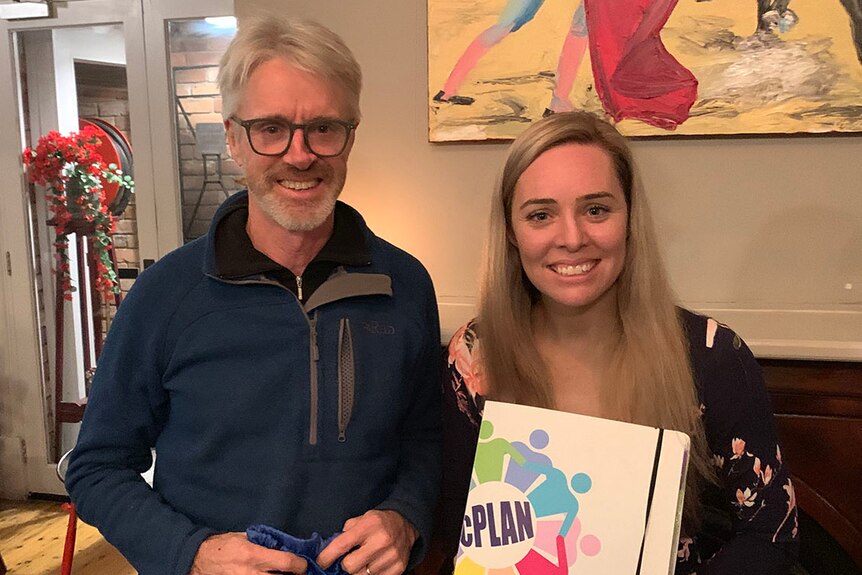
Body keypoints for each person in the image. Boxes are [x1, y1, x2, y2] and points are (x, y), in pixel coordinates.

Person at [65, 16, 442, 575]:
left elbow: (427, 439)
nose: (300, 154)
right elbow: (96, 466)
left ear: (350, 137)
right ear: (235, 139)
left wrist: (406, 515)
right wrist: (188, 553)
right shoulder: (166, 296)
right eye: (271, 129)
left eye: (323, 128)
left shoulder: (406, 285)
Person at [418, 111, 798, 574]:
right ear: (513, 235)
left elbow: (770, 535)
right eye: (541, 215)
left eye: (596, 209)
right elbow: (463, 530)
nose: (573, 238)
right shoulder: (476, 356)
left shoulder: (711, 357)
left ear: (630, 219)